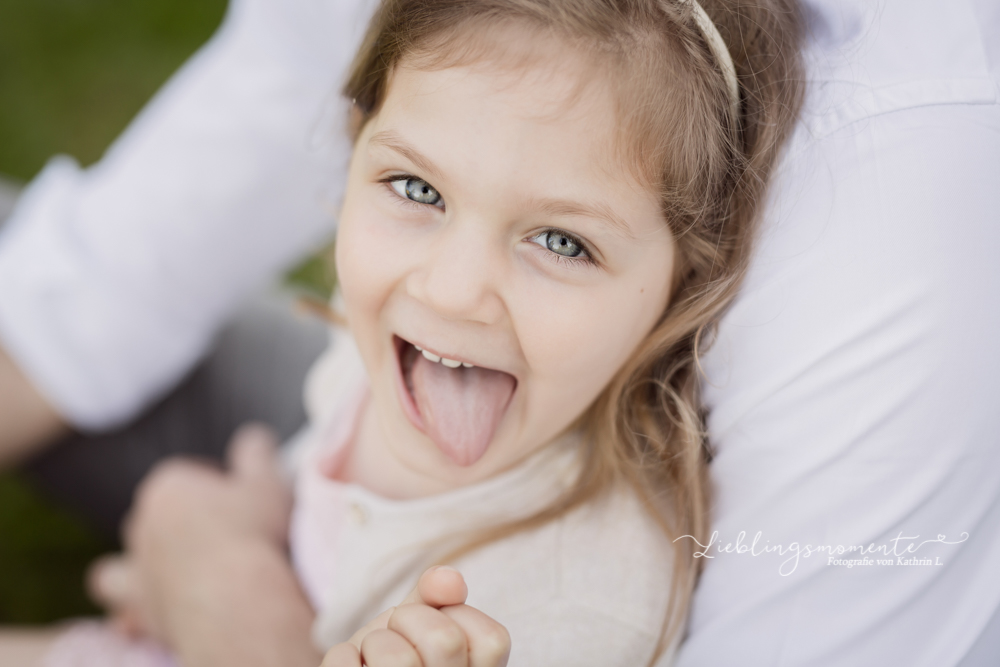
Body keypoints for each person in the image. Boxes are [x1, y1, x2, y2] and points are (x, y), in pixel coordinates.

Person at [1, 0, 998, 665]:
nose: (453, 288)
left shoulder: (557, 612)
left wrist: (212, 570)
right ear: (349, 154)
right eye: (414, 188)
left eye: (561, 241)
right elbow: (284, 66)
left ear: (685, 288)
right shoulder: (400, 349)